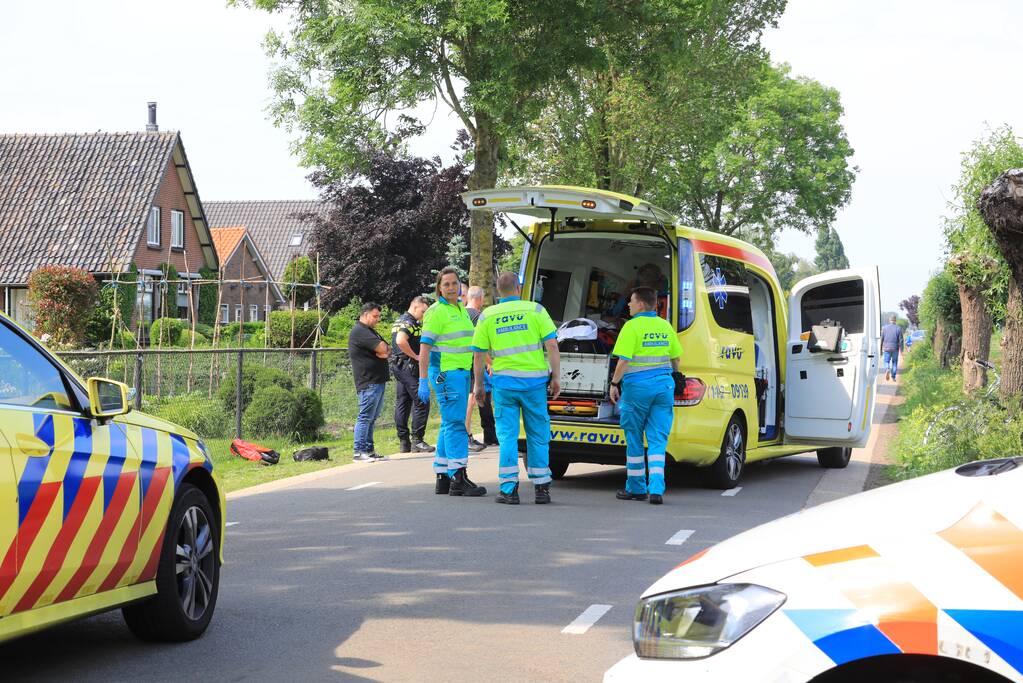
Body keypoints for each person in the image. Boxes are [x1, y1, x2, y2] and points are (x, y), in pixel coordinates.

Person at [472, 272, 561, 505]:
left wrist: (479, 385)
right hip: (534, 386)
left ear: (498, 291)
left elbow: (479, 354)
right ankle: (542, 488)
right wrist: (556, 378)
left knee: (508, 437)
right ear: (519, 287)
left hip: (504, 387)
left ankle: (509, 490)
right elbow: (552, 344)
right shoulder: (536, 310)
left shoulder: (487, 316)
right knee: (538, 435)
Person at [608, 286, 682, 505]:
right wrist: (676, 376)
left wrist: (614, 383)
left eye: (631, 301)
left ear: (640, 304)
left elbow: (624, 360)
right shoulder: (665, 326)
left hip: (637, 390)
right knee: (658, 440)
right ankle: (657, 488)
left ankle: (637, 487)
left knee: (634, 437)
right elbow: (675, 358)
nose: (628, 305)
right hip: (663, 388)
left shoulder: (631, 327)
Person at [418, 267, 487, 497]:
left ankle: (443, 477)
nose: (450, 287)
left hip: (459, 373)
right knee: (457, 424)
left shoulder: (460, 310)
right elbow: (425, 349)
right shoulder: (437, 311)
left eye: (454, 283)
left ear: (460, 286)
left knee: (449, 423)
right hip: (446, 374)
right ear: (439, 287)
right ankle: (459, 477)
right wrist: (423, 379)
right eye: (445, 284)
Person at [390, 296, 434, 454]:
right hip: (408, 366)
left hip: (398, 366)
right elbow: (401, 341)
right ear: (415, 307)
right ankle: (417, 440)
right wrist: (416, 357)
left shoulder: (398, 321)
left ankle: (404, 441)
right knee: (422, 401)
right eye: (423, 311)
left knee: (403, 401)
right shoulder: (409, 322)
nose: (424, 315)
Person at [348, 302, 391, 462]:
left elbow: (387, 348)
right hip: (368, 381)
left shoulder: (370, 331)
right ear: (365, 315)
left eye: (378, 316)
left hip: (377, 381)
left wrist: (384, 351)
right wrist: (382, 351)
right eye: (375, 316)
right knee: (365, 416)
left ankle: (369, 450)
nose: (377, 319)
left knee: (372, 418)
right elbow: (382, 348)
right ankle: (359, 451)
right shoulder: (360, 331)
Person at [464, 285, 498, 451]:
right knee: (471, 400)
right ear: (479, 298)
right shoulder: (478, 316)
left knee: (468, 399)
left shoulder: (461, 313)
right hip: (472, 363)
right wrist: (490, 362)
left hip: (460, 361)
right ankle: (466, 435)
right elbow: (479, 345)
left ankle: (468, 434)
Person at [881, 314, 904, 381]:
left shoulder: (884, 328)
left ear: (889, 320)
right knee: (894, 362)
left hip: (886, 348)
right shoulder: (898, 328)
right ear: (895, 320)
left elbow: (882, 339)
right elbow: (901, 340)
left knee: (886, 361)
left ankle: (887, 368)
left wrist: (880, 349)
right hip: (895, 348)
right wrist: (901, 350)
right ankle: (893, 376)